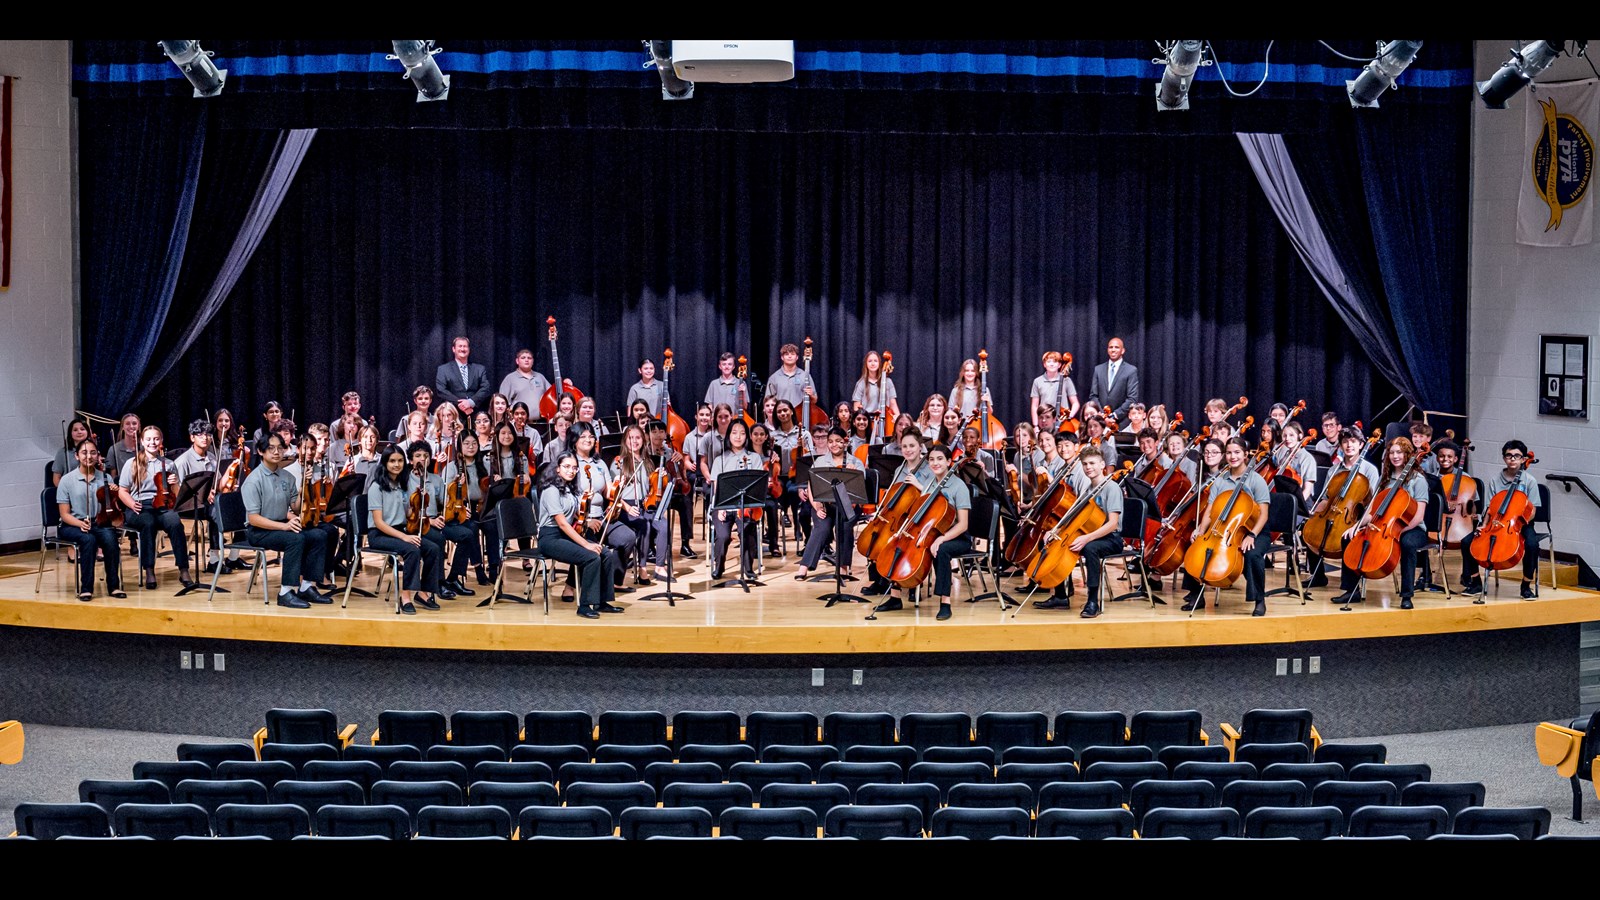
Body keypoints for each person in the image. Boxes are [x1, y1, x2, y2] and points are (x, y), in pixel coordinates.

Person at [870, 442, 970, 621]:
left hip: (956, 536)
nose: (935, 463)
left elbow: (963, 525)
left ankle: (945, 603)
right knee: (897, 544)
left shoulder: (959, 487)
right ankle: (894, 598)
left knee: (943, 550)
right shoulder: (930, 482)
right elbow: (918, 513)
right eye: (931, 459)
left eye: (940, 459)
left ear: (949, 461)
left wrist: (941, 539)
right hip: (929, 532)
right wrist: (900, 531)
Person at [1333, 437, 1430, 610]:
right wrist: (1356, 526)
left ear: (1407, 454)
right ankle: (1351, 591)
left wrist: (1397, 531)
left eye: (1399, 452)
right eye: (1392, 452)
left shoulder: (1418, 480)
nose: (1395, 456)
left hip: (1412, 528)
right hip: (1383, 525)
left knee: (1407, 544)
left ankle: (1406, 595)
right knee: (1348, 538)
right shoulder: (1385, 479)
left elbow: (1419, 516)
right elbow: (1372, 511)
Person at [242, 430, 333, 609]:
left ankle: (307, 586)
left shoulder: (287, 476)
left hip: (280, 524)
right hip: (259, 530)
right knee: (296, 539)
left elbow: (297, 508)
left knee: (319, 534)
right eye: (271, 448)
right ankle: (285, 592)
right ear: (260, 452)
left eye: (280, 448)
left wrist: (304, 487)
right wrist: (284, 527)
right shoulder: (253, 480)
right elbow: (253, 519)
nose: (277, 452)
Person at [1183, 437, 1271, 617]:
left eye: (1237, 452)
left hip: (1254, 530)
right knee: (1197, 545)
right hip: (1224, 528)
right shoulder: (1220, 481)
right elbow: (1209, 511)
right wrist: (1200, 530)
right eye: (1229, 452)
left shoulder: (1256, 480)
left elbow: (1263, 514)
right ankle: (1196, 595)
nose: (1233, 456)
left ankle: (1259, 600)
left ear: (1246, 455)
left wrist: (1252, 535)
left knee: (1252, 554)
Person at [1038, 446, 1125, 619]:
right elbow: (1073, 517)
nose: (1088, 467)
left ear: (1102, 465)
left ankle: (1093, 601)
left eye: (1092, 463)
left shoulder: (1111, 487)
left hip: (1111, 538)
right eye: (1085, 464)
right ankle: (1061, 595)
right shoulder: (1088, 489)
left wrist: (1087, 538)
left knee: (1090, 548)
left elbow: (1113, 524)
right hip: (1091, 534)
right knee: (1058, 541)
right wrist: (1055, 531)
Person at [538, 451, 623, 619]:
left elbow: (575, 515)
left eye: (574, 468)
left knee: (605, 553)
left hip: (564, 534)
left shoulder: (570, 489)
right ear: (557, 469)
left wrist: (588, 521)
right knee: (591, 556)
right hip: (550, 538)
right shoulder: (550, 490)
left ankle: (601, 601)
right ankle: (584, 605)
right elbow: (562, 523)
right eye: (567, 467)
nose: (571, 471)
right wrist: (586, 544)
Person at [365, 445, 444, 615]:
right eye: (392, 461)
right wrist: (404, 537)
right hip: (379, 534)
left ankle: (423, 593)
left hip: (399, 530)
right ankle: (405, 596)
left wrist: (418, 500)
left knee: (433, 548)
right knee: (412, 550)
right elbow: (378, 522)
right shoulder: (376, 487)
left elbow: (406, 513)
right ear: (384, 463)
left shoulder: (401, 485)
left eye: (400, 461)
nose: (397, 464)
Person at [117, 425, 197, 592]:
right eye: (148, 439)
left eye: (156, 439)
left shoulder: (168, 464)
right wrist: (131, 503)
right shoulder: (132, 463)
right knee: (148, 523)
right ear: (142, 441)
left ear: (161, 441)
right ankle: (149, 570)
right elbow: (122, 491)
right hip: (139, 506)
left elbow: (176, 494)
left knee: (175, 522)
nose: (152, 442)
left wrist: (175, 483)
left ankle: (183, 570)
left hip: (162, 504)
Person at [1461, 439, 1543, 600]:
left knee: (1533, 545)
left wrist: (1520, 519)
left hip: (1520, 523)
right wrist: (1482, 526)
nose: (1512, 459)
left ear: (1523, 459)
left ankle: (1526, 585)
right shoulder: (1495, 481)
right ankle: (1476, 581)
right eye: (1509, 455)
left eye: (1517, 456)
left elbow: (1533, 510)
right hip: (1494, 522)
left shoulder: (1529, 481)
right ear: (1504, 458)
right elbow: (1489, 508)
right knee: (1466, 542)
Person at [864, 430, 938, 599]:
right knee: (879, 538)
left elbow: (934, 497)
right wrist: (881, 510)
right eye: (904, 446)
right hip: (899, 517)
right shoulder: (900, 468)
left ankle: (912, 584)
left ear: (920, 447)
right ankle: (882, 582)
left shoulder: (929, 469)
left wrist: (918, 485)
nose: (908, 449)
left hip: (920, 519)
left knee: (903, 546)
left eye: (912, 446)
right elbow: (892, 494)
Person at [1303, 427, 1379, 589]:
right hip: (1334, 512)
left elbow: (1371, 505)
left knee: (1347, 536)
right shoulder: (1334, 470)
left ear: (1361, 445)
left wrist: (1357, 525)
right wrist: (1313, 513)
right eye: (1345, 442)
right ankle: (1318, 576)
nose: (1349, 445)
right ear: (1340, 446)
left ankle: (1349, 586)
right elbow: (1326, 498)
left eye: (1353, 442)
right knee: (1309, 528)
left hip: (1358, 517)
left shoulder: (1369, 470)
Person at [401, 440, 475, 599]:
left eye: (426, 456)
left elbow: (446, 501)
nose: (422, 459)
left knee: (467, 534)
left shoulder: (435, 479)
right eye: (418, 456)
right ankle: (438, 583)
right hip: (416, 524)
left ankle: (454, 578)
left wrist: (458, 500)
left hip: (437, 521)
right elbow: (406, 510)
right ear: (411, 460)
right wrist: (430, 521)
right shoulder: (405, 480)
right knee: (438, 539)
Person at [793, 427, 867, 582]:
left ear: (845, 442)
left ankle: (843, 567)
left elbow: (860, 490)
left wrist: (855, 474)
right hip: (825, 505)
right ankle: (804, 566)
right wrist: (817, 507)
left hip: (848, 506)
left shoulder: (855, 462)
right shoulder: (820, 461)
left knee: (845, 526)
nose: (834, 445)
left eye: (839, 441)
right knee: (822, 527)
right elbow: (811, 486)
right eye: (831, 441)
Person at [55, 439, 125, 601]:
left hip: (99, 522)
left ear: (98, 455)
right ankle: (86, 588)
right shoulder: (67, 480)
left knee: (110, 539)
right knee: (88, 540)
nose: (89, 456)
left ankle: (114, 586)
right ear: (77, 456)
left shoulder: (105, 477)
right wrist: (80, 523)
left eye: (93, 453)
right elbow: (64, 514)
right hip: (73, 524)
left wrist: (115, 493)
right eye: (84, 453)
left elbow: (113, 507)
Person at [707, 418, 767, 581]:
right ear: (729, 436)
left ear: (746, 436)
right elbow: (716, 487)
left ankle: (748, 568)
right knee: (723, 535)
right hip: (724, 506)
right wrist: (720, 508)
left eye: (742, 433)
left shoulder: (754, 458)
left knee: (746, 530)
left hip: (746, 506)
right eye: (734, 433)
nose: (738, 437)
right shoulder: (720, 459)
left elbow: (759, 486)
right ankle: (718, 566)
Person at [442, 430, 494, 585]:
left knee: (493, 526)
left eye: (474, 443)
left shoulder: (484, 465)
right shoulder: (452, 467)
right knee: (471, 528)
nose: (471, 447)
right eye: (466, 443)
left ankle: (494, 568)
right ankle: (478, 569)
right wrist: (455, 483)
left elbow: (488, 490)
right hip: (460, 510)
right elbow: (446, 495)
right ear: (459, 446)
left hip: (481, 508)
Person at [435, 335, 491, 418]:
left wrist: (471, 402)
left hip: (475, 414)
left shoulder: (479, 369)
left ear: (469, 349)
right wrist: (461, 405)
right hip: (453, 414)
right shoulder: (443, 369)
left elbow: (486, 388)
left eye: (465, 346)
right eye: (460, 346)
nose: (462, 349)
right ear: (453, 349)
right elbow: (441, 390)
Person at [852, 350, 900, 441]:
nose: (872, 363)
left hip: (886, 422)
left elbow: (893, 404)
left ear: (879, 364)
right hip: (868, 422)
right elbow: (856, 407)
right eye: (870, 361)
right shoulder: (861, 383)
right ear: (866, 364)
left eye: (875, 361)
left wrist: (898, 419)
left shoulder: (888, 382)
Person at [1088, 336, 1139, 421]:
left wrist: (1115, 415)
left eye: (1117, 347)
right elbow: (1093, 395)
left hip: (1121, 421)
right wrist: (1102, 414)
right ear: (1108, 350)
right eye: (1110, 347)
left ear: (1122, 351)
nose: (1113, 350)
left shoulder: (1131, 370)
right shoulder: (1098, 369)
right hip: (1101, 420)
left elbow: (1132, 398)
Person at [1030, 351, 1078, 429]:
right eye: (1048, 361)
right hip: (1045, 421)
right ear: (1044, 364)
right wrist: (1035, 426)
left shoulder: (1066, 380)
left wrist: (1069, 416)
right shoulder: (1037, 381)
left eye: (1055, 362)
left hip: (1063, 422)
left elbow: (1075, 403)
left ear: (1059, 365)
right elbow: (1034, 406)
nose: (1052, 364)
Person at [765, 342, 818, 411]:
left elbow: (814, 401)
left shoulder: (805, 376)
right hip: (781, 416)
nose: (790, 356)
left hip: (800, 417)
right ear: (782, 357)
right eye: (786, 354)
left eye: (792, 354)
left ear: (797, 357)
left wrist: (811, 395)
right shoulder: (774, 378)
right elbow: (768, 401)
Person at [498, 347, 553, 413]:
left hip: (541, 422)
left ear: (533, 361)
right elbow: (502, 402)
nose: (526, 360)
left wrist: (564, 383)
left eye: (529, 358)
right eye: (523, 358)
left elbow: (552, 394)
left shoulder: (540, 377)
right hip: (518, 421)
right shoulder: (510, 379)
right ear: (517, 361)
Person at [53, 418, 95, 487]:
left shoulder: (94, 451)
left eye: (82, 429)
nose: (79, 432)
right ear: (70, 434)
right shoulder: (62, 453)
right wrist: (66, 491)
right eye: (75, 430)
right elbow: (56, 478)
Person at [704, 352, 748, 417]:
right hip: (718, 422)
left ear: (733, 367)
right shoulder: (714, 384)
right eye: (724, 364)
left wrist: (743, 393)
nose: (727, 367)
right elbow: (710, 405)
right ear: (720, 366)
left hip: (734, 421)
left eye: (730, 364)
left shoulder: (741, 383)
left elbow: (745, 407)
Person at [107, 412, 142, 478]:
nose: (131, 426)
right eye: (127, 424)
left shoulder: (145, 447)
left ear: (138, 426)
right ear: (122, 427)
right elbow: (113, 477)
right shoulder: (114, 449)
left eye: (134, 423)